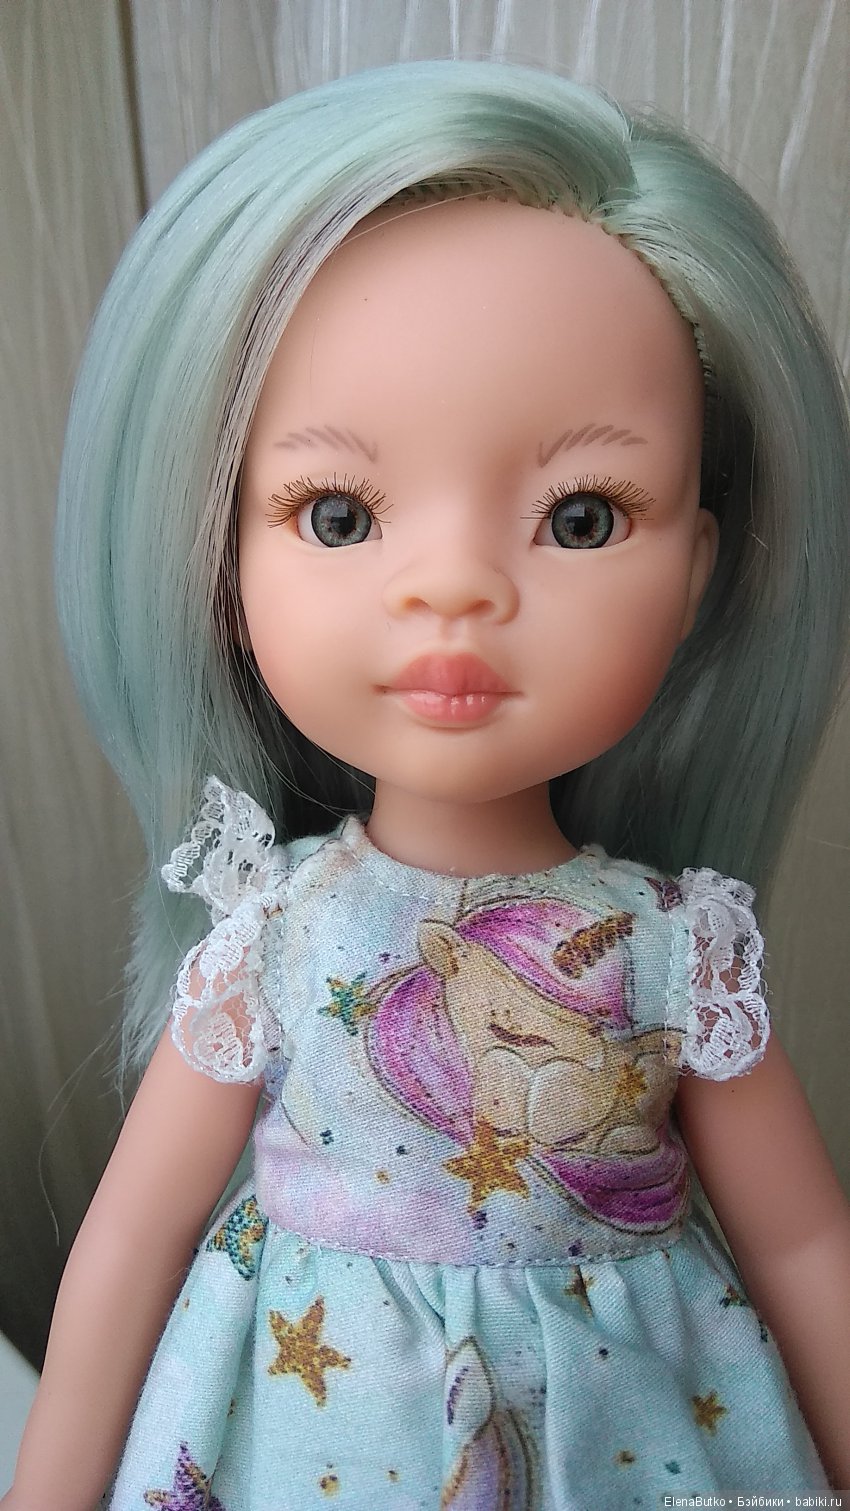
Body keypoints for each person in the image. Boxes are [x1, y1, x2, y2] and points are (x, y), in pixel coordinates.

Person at [7, 61, 850, 1509]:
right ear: (222, 560)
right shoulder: (275, 935)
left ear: (698, 571)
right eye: (339, 515)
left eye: (580, 518)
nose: (454, 588)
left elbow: (803, 1245)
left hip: (629, 1441)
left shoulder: (674, 947)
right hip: (313, 1439)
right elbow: (129, 1247)